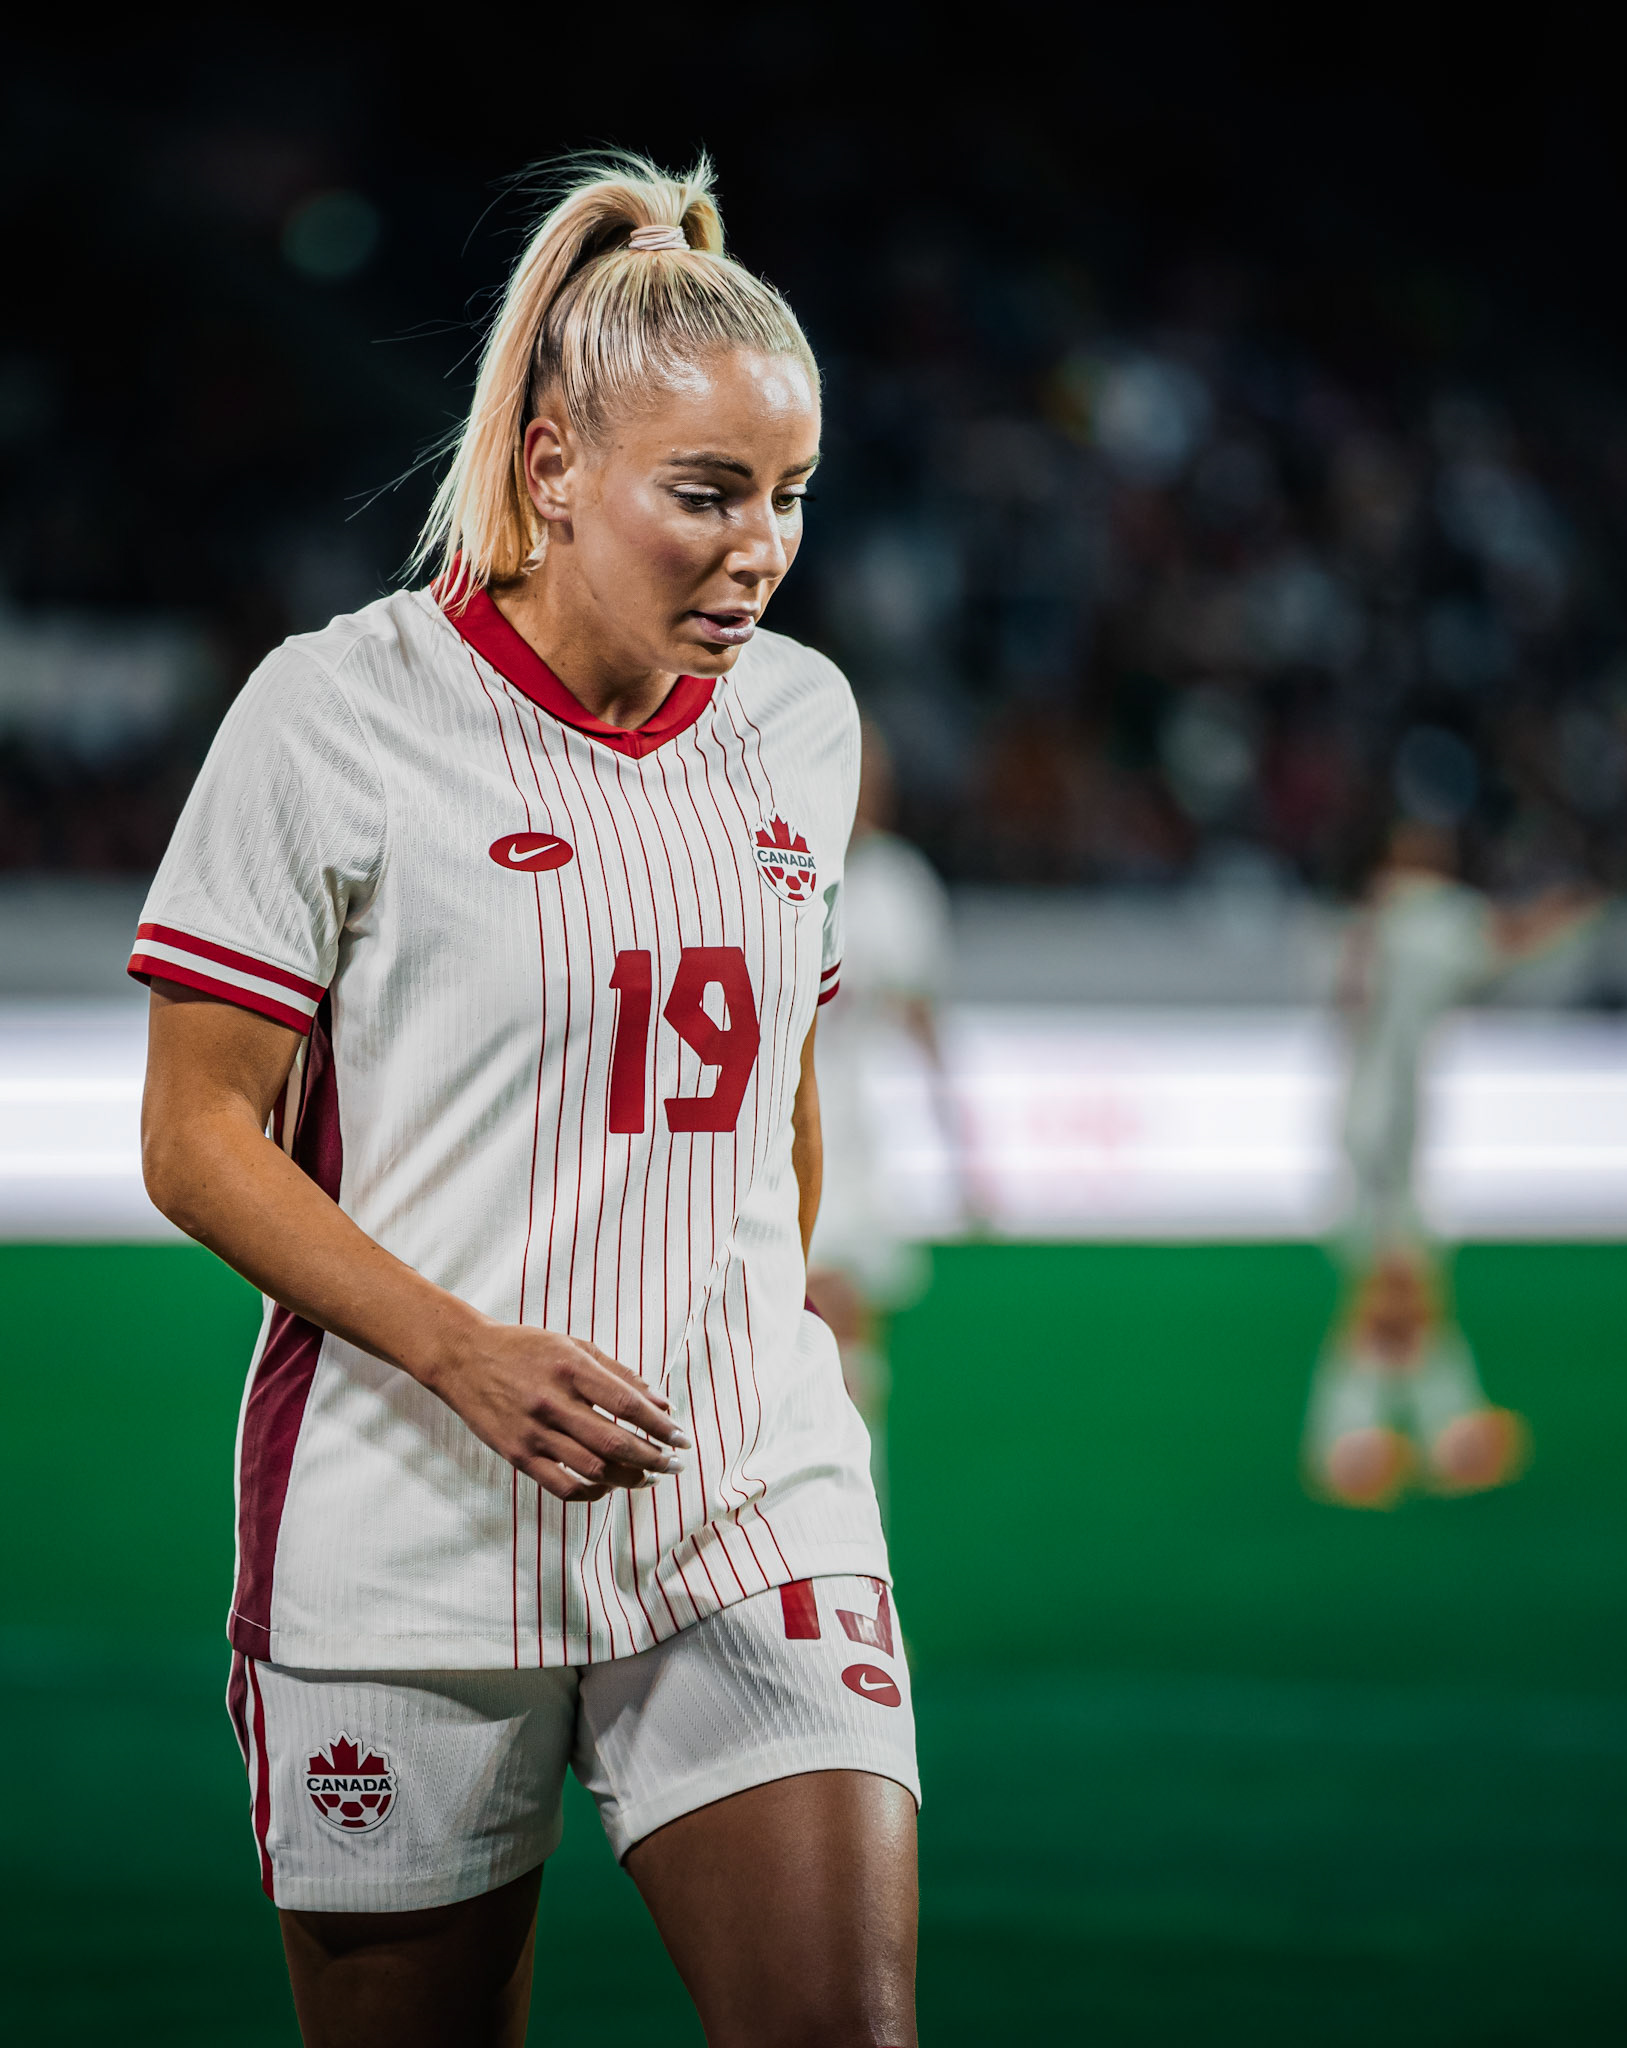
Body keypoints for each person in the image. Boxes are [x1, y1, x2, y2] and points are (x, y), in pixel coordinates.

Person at [133, 156, 918, 2048]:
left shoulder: (801, 722)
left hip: (739, 1493)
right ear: (554, 464)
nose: (757, 548)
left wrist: (742, 1349)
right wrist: (466, 1351)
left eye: (789, 497)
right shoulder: (337, 714)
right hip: (405, 1517)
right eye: (706, 493)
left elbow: (779, 1108)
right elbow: (195, 1135)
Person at [1303, 817, 1599, 1509]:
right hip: (1389, 1123)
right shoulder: (1429, 916)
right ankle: (1366, 1436)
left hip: (1367, 1111)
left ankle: (1424, 1430)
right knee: (1395, 1280)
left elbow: (1347, 1000)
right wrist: (1575, 909)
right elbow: (1506, 943)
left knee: (1401, 1276)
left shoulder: (1369, 920)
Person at [805, 718, 958, 1520]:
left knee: (839, 1334)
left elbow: (921, 1018)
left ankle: (851, 1528)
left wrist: (960, 1144)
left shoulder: (896, 885)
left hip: (846, 1146)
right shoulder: (773, 856)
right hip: (762, 1142)